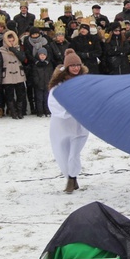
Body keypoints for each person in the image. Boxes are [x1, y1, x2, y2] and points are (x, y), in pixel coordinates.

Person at [48, 49, 90, 193]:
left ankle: (71, 178)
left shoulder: (84, 81)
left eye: (78, 65)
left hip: (79, 124)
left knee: (74, 153)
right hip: (62, 124)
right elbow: (53, 103)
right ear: (67, 67)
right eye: (72, 66)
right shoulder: (58, 85)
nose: (76, 68)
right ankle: (71, 176)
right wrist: (68, 111)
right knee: (62, 153)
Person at [0, 30, 27, 119]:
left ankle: (20, 111)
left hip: (18, 74)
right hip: (7, 75)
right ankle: (13, 112)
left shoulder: (19, 48)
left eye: (13, 40)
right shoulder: (1, 51)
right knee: (9, 95)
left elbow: (23, 58)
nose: (11, 42)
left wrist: (14, 50)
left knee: (20, 94)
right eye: (9, 41)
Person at [31, 47, 54, 117]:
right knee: (39, 99)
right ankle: (40, 112)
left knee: (46, 98)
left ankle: (47, 111)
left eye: (44, 55)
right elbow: (34, 75)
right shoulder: (36, 65)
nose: (42, 56)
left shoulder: (49, 64)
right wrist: (37, 82)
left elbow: (51, 74)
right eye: (41, 55)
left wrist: (50, 82)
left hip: (47, 84)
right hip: (39, 85)